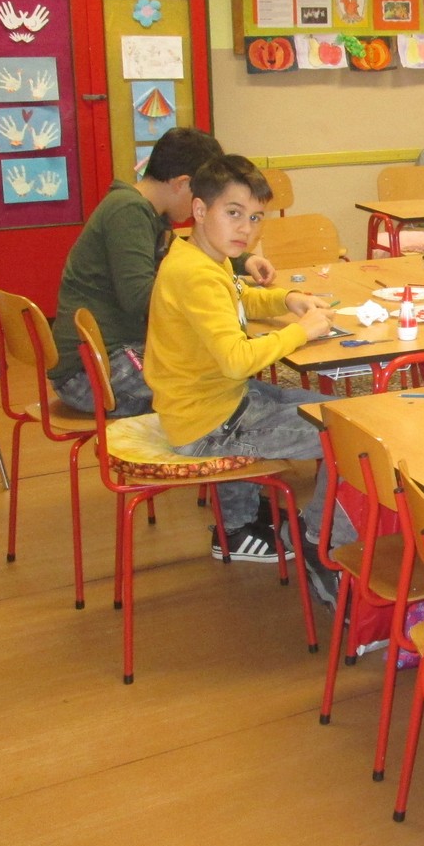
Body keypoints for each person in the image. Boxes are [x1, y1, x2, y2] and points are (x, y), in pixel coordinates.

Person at [144, 156, 339, 565]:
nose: (246, 229)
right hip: (209, 425)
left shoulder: (197, 257)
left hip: (211, 404)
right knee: (349, 437)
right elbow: (236, 360)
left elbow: (238, 296)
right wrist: (300, 331)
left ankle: (239, 525)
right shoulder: (196, 274)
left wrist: (287, 299)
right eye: (233, 213)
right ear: (200, 210)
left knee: (338, 413)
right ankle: (315, 539)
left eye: (254, 217)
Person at [50, 127, 276, 417]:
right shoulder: (127, 211)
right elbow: (139, 297)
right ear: (183, 183)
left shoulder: (147, 212)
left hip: (108, 356)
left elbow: (184, 253)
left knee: (222, 372)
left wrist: (243, 260)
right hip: (91, 372)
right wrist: (205, 297)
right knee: (214, 382)